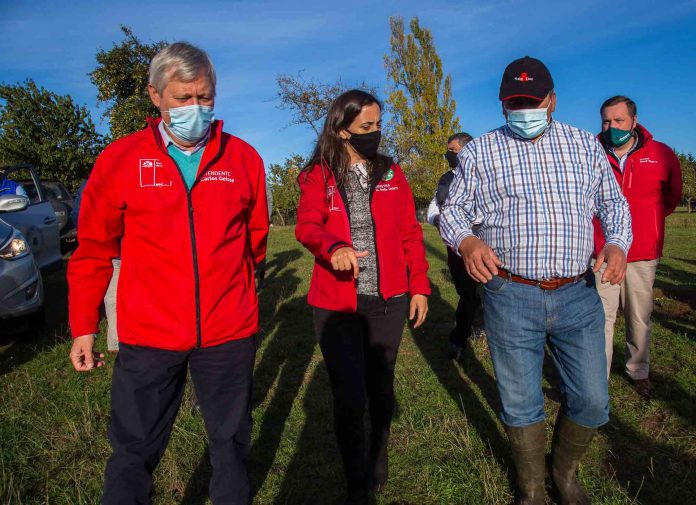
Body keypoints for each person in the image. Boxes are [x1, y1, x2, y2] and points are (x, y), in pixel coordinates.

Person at [67, 42, 269, 505]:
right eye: (183, 98)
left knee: (232, 446)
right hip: (149, 334)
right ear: (156, 96)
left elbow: (254, 240)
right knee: (133, 452)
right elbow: (93, 250)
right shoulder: (120, 160)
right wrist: (83, 328)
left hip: (227, 332)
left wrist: (237, 291)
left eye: (204, 97)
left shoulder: (243, 159)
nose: (195, 108)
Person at [440, 57, 632, 505]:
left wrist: (618, 243)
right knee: (520, 401)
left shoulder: (585, 146)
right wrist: (467, 242)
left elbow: (614, 204)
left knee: (591, 399)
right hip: (510, 293)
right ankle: (531, 489)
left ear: (552, 100)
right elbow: (453, 212)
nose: (524, 109)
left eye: (533, 101)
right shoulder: (480, 151)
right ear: (503, 104)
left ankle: (563, 472)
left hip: (578, 292)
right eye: (515, 102)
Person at [295, 89, 430, 505]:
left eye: (378, 126)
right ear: (342, 130)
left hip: (387, 299)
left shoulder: (392, 173)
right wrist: (332, 246)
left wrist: (420, 285)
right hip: (337, 304)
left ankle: (378, 450)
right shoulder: (318, 174)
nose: (375, 135)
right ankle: (355, 477)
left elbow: (410, 232)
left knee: (380, 387)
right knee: (348, 395)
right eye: (366, 128)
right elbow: (306, 225)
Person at [593, 96, 682, 398]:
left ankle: (638, 369)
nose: (612, 126)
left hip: (643, 252)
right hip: (601, 252)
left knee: (638, 315)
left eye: (619, 120)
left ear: (634, 120)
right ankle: (597, 377)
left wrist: (649, 223)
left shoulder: (660, 154)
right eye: (606, 121)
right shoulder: (590, 152)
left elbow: (672, 196)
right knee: (600, 317)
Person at [427, 132, 485, 360]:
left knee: (485, 292)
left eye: (453, 150)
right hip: (455, 247)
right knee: (466, 293)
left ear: (467, 150)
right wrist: (439, 220)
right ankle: (464, 333)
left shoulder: (485, 175)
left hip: (482, 243)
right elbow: (434, 205)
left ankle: (471, 334)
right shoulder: (445, 178)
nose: (448, 154)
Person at [72, 178, 120, 353]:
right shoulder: (90, 184)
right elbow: (79, 216)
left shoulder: (130, 178)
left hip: (134, 251)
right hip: (114, 252)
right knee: (114, 299)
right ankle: (117, 344)